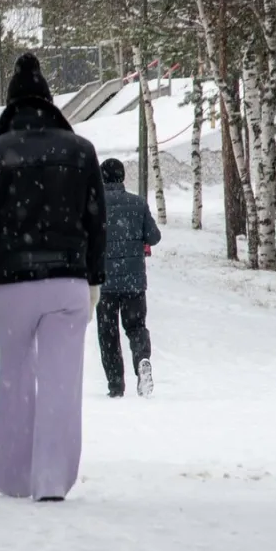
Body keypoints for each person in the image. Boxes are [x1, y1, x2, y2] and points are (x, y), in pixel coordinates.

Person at [0, 53, 107, 503]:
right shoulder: (80, 151)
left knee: (16, 379)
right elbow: (96, 222)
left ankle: (12, 476)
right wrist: (95, 280)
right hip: (68, 284)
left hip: (10, 286)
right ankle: (50, 480)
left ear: (11, 106)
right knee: (62, 383)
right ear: (50, 104)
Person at [96, 158, 160, 398]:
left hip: (104, 284)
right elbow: (153, 237)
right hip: (133, 280)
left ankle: (115, 386)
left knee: (108, 332)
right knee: (136, 327)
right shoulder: (137, 203)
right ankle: (142, 359)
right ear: (122, 177)